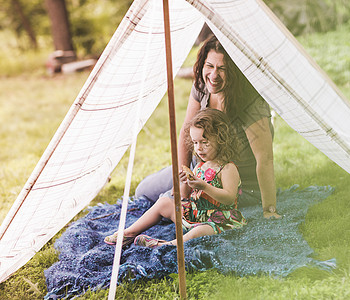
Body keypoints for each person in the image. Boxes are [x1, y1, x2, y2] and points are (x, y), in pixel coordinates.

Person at [135, 35, 280, 219]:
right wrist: (183, 182)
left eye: (222, 69)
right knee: (143, 192)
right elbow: (187, 132)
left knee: (169, 205)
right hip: (199, 168)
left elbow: (265, 159)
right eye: (209, 66)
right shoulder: (202, 86)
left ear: (234, 72)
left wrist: (269, 209)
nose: (213, 75)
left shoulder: (250, 101)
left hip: (234, 182)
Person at [104, 109, 247, 247]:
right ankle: (129, 233)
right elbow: (188, 195)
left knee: (199, 232)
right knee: (164, 202)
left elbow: (229, 198)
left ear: (221, 139)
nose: (199, 148)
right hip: (195, 216)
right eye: (195, 142)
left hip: (218, 222)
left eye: (205, 142)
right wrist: (185, 182)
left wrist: (204, 186)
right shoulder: (199, 166)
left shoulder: (228, 168)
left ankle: (167, 245)